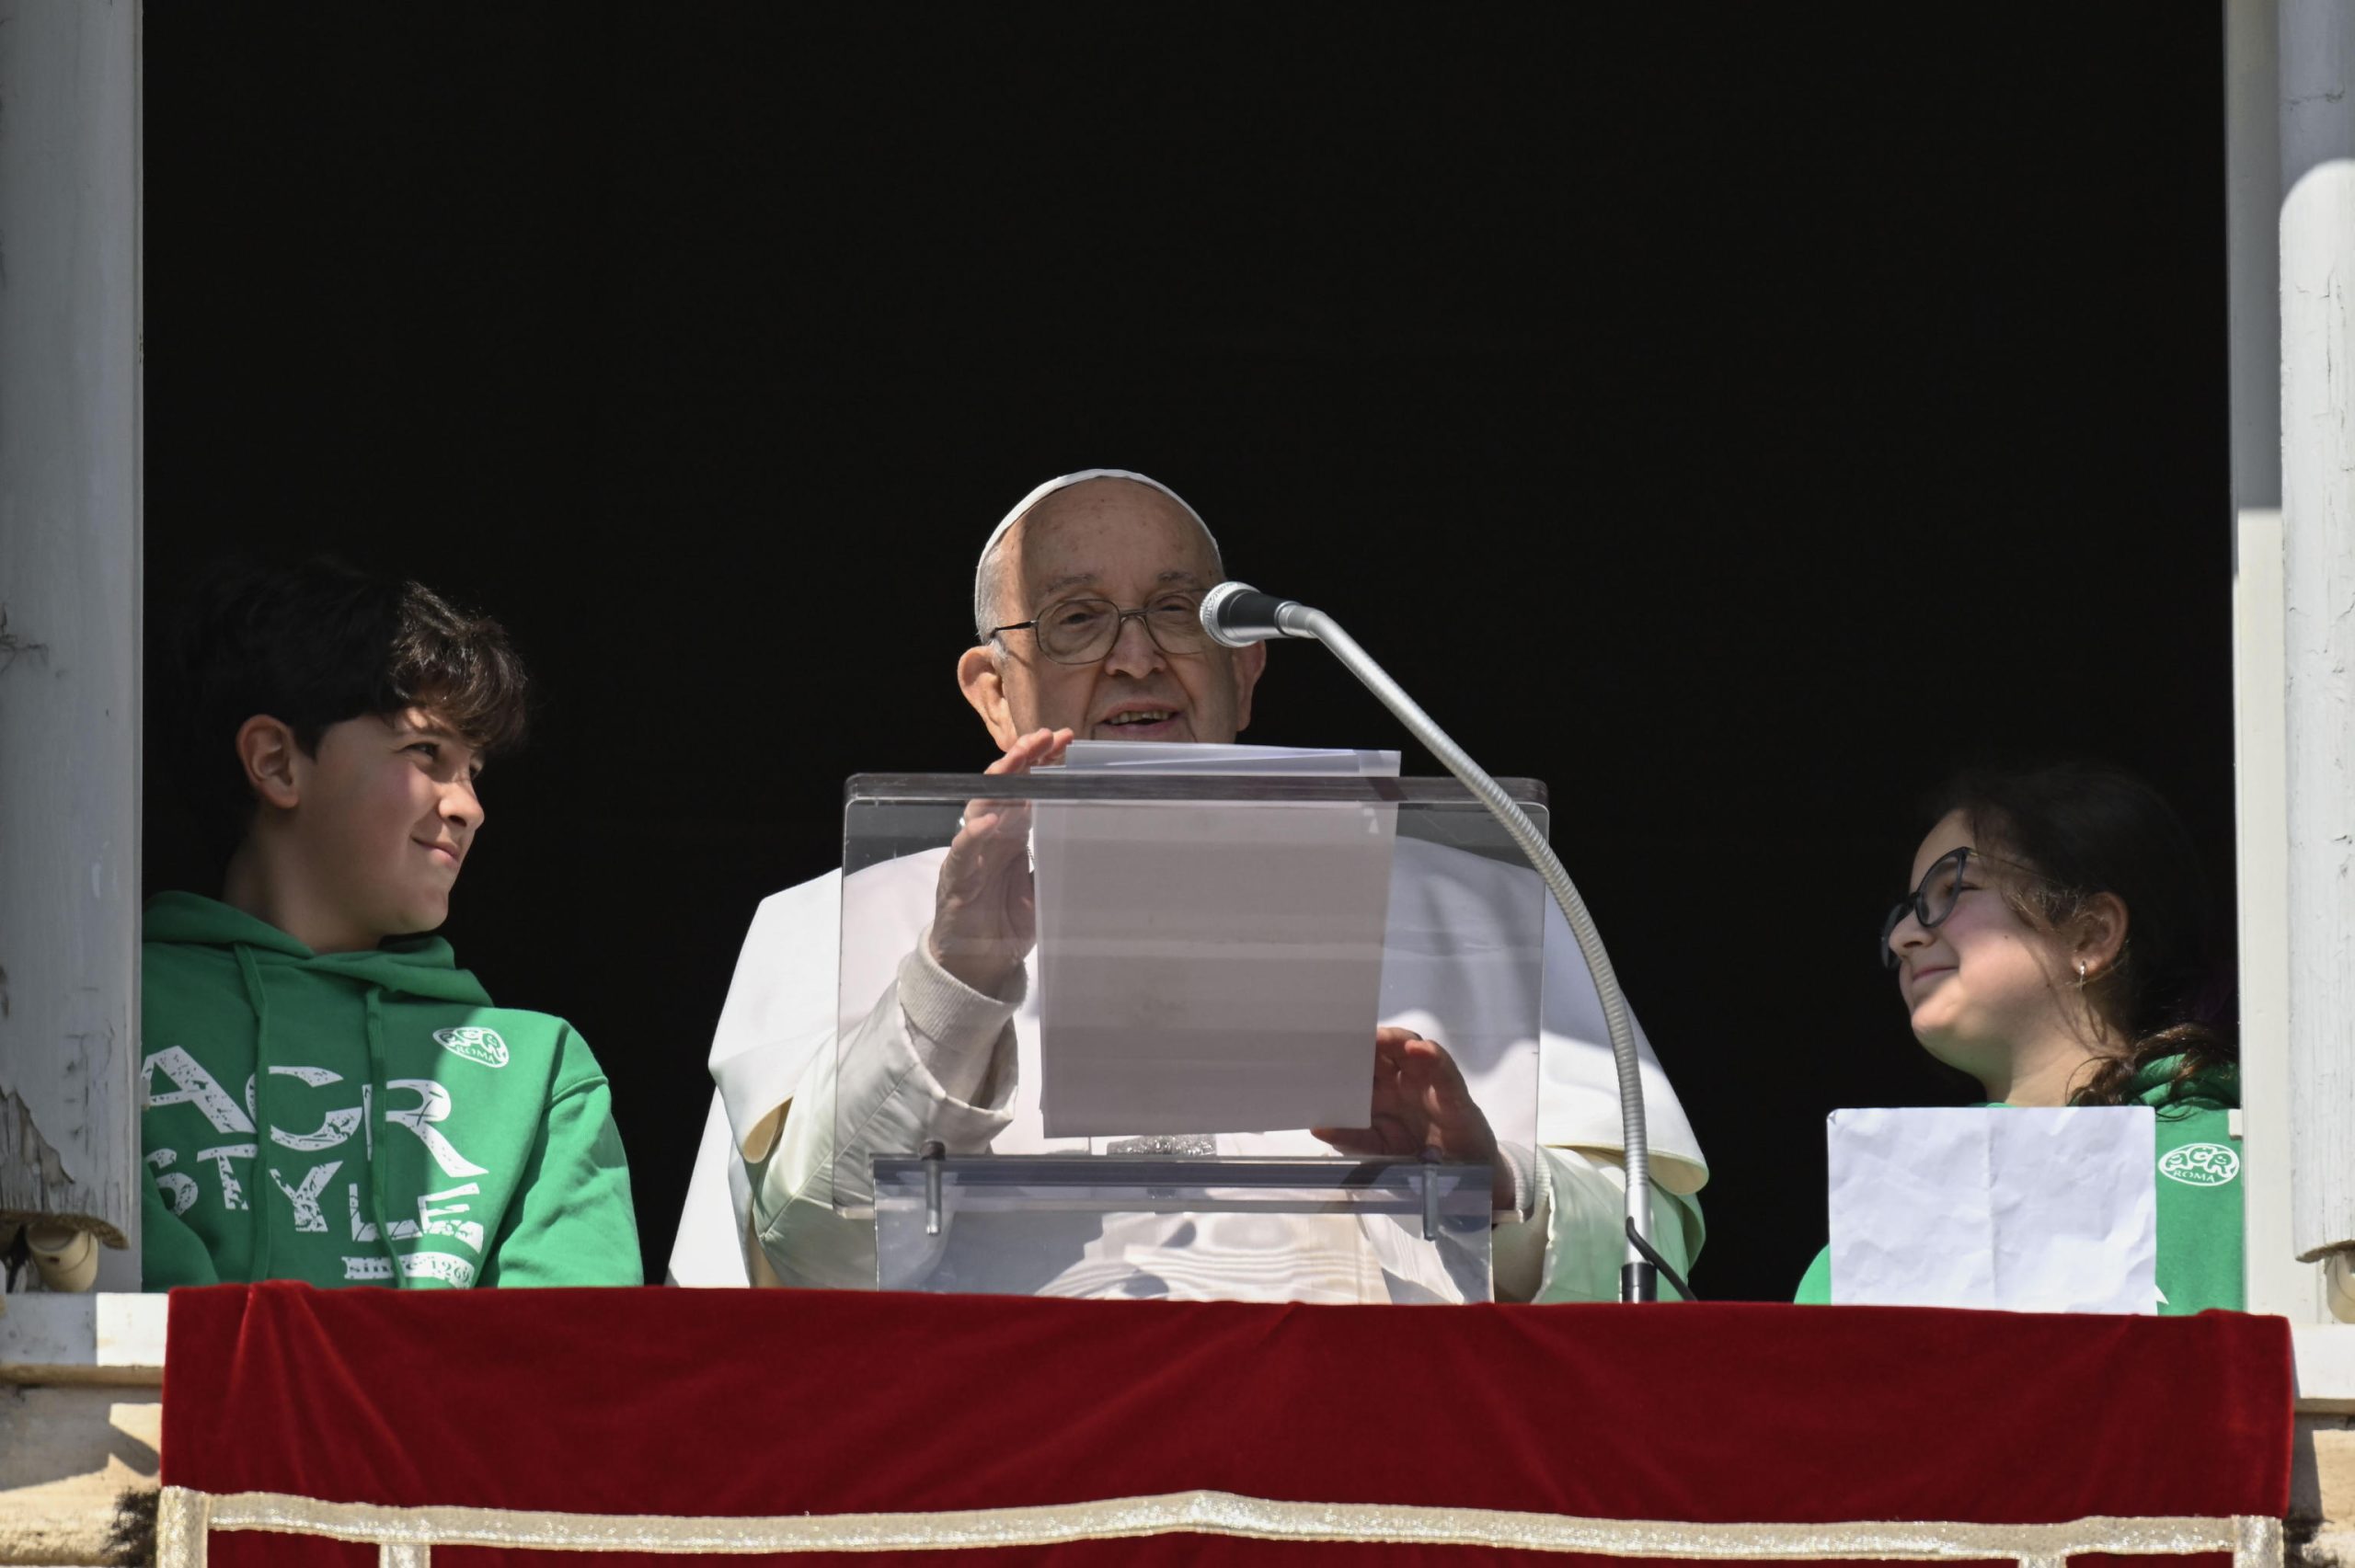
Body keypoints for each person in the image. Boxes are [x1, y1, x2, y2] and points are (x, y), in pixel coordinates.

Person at [669, 469, 1707, 1302]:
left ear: (1247, 670)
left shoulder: (1486, 913)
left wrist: (1497, 1190)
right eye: (1076, 619)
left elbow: (1645, 1262)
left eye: (1178, 613)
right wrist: (954, 983)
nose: (1137, 658)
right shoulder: (831, 921)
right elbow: (800, 1266)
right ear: (991, 692)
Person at [140, 559, 640, 1289]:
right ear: (277, 762)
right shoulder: (95, 1018)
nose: (468, 806)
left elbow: (566, 1373)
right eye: (426, 752)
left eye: (473, 770)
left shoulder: (539, 1070)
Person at [1796, 761, 2240, 1312]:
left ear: (2091, 933)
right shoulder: (1891, 1205)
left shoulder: (2253, 1165)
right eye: (1908, 912)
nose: (1907, 936)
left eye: (1953, 887)